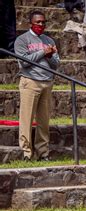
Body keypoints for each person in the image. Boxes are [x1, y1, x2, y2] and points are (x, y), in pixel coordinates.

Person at [14, 10, 60, 161]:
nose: (41, 25)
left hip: (47, 82)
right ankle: (26, 152)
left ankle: (43, 152)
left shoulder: (49, 40)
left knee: (44, 120)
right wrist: (42, 52)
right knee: (26, 119)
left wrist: (50, 55)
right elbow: (24, 62)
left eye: (43, 22)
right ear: (31, 24)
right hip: (30, 81)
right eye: (38, 22)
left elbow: (56, 64)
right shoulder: (22, 40)